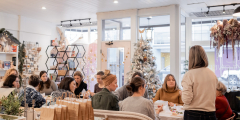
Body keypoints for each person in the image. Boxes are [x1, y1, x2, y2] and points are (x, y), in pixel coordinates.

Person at [181, 45, 218, 120]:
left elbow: (187, 100)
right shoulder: (212, 74)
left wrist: (181, 93)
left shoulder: (189, 74)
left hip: (193, 114)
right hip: (211, 113)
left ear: (191, 58)